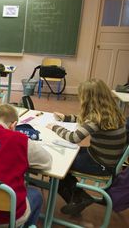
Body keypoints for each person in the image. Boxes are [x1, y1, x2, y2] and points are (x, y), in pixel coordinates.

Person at [46, 79, 127, 215]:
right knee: (66, 156)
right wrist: (66, 118)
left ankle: (79, 198)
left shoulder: (96, 118)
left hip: (100, 164)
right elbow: (85, 121)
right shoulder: (111, 111)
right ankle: (78, 196)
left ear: (88, 99)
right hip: (107, 160)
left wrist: (55, 127)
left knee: (59, 165)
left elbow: (73, 138)